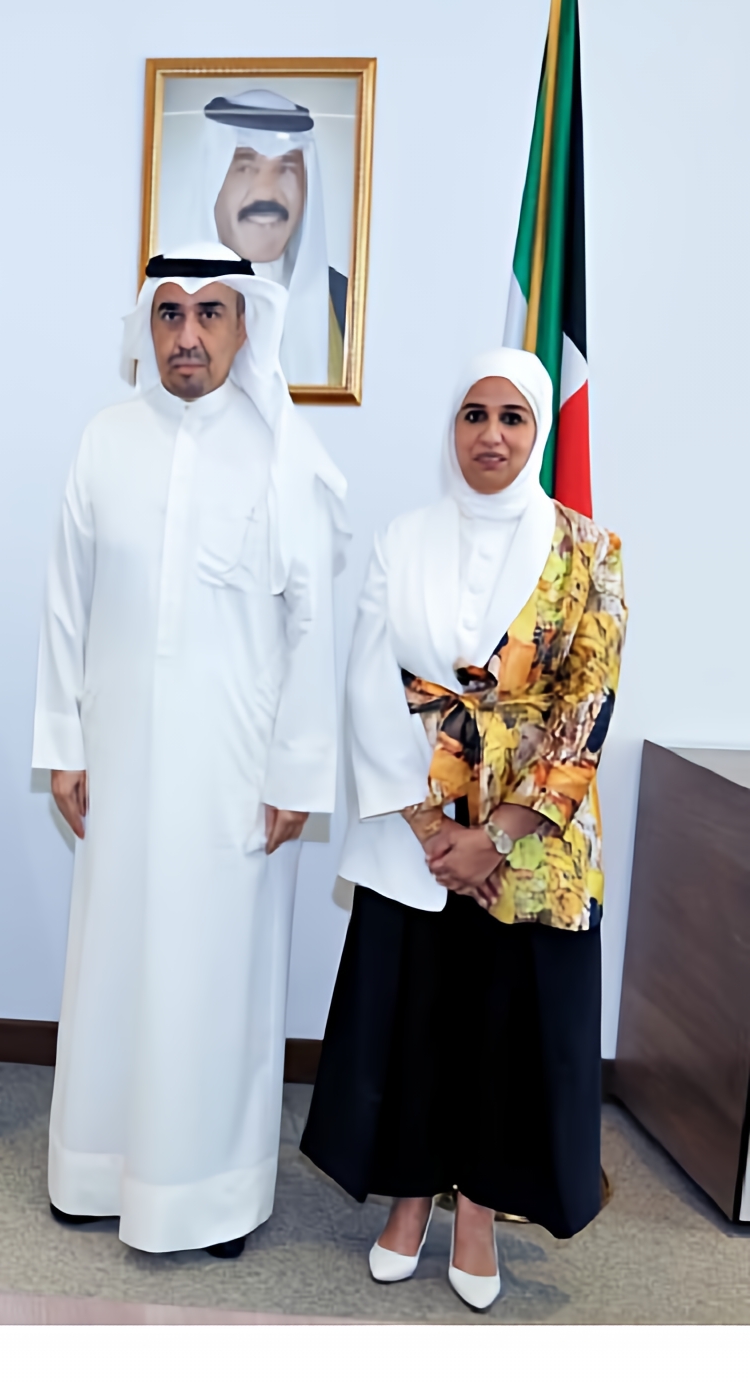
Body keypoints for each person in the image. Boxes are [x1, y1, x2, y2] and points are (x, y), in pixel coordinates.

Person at [32, 244, 347, 1256]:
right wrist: (63, 743)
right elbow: (65, 605)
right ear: (148, 326)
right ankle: (95, 1171)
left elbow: (312, 625)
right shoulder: (105, 439)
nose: (187, 334)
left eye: (210, 313)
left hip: (232, 772)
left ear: (244, 326)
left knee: (216, 978)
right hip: (118, 758)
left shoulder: (283, 454)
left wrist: (296, 770)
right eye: (169, 313)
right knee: (115, 960)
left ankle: (211, 1194)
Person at [301, 350, 624, 1313]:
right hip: (417, 832)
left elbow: (587, 704)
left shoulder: (589, 550)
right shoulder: (404, 536)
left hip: (533, 842)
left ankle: (477, 1211)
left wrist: (499, 835)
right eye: (474, 415)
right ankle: (409, 1201)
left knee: (504, 1031)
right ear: (453, 429)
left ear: (539, 433)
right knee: (419, 1018)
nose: (491, 434)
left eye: (512, 417)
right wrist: (433, 828)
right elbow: (368, 680)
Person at [200, 90, 346, 386]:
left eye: (287, 168)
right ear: (212, 181)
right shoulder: (166, 302)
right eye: (245, 166)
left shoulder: (345, 301)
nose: (266, 191)